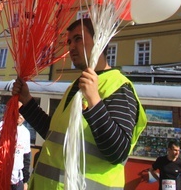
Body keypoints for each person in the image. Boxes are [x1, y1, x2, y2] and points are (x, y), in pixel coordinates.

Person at [12, 17, 147, 190]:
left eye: (78, 39)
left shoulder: (119, 87)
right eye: (69, 42)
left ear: (99, 41)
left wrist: (94, 101)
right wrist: (27, 100)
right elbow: (54, 134)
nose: (71, 47)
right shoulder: (75, 87)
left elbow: (118, 152)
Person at [0, 107, 31, 190]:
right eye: (18, 112)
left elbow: (26, 157)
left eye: (23, 113)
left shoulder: (26, 133)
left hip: (17, 180)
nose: (20, 115)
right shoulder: (1, 126)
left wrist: (25, 180)